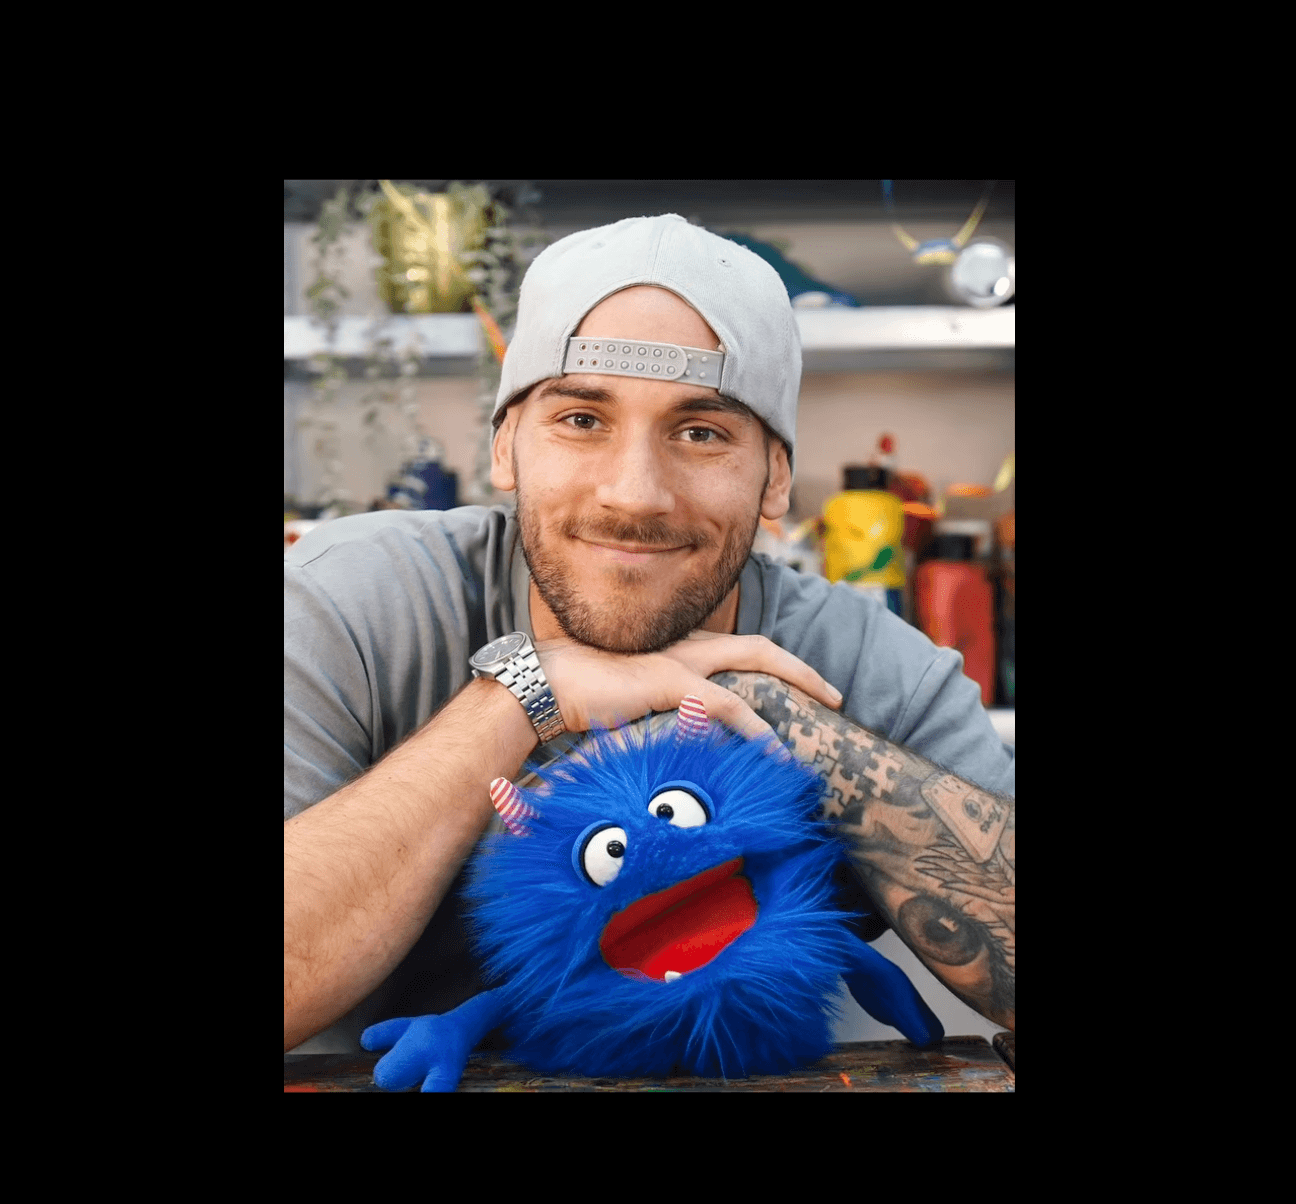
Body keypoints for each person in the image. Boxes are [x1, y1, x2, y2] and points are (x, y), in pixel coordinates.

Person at [285, 214, 1015, 1055]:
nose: (634, 494)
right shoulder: (357, 603)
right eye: (582, 420)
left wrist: (765, 709)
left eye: (701, 431)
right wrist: (521, 696)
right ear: (505, 447)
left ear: (775, 476)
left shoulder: (872, 666)